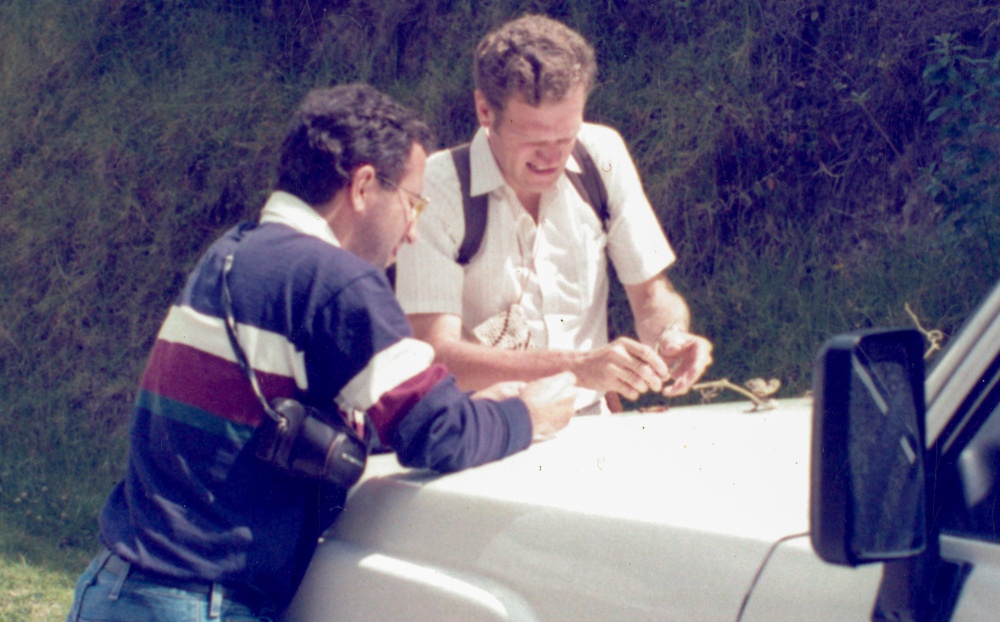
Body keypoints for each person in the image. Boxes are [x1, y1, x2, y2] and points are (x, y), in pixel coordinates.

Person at [66, 84, 575, 621]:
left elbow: (282, 420)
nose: (413, 232)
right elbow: (438, 434)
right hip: (200, 603)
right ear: (361, 187)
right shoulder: (335, 279)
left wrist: (479, 405)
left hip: (116, 588)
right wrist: (527, 414)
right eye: (412, 201)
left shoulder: (235, 253)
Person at [395, 15, 713, 414]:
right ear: (484, 111)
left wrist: (670, 336)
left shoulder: (602, 154)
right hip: (486, 433)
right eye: (532, 140)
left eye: (565, 137)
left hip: (592, 425)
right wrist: (577, 368)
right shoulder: (438, 188)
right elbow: (434, 353)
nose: (552, 157)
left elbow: (650, 295)